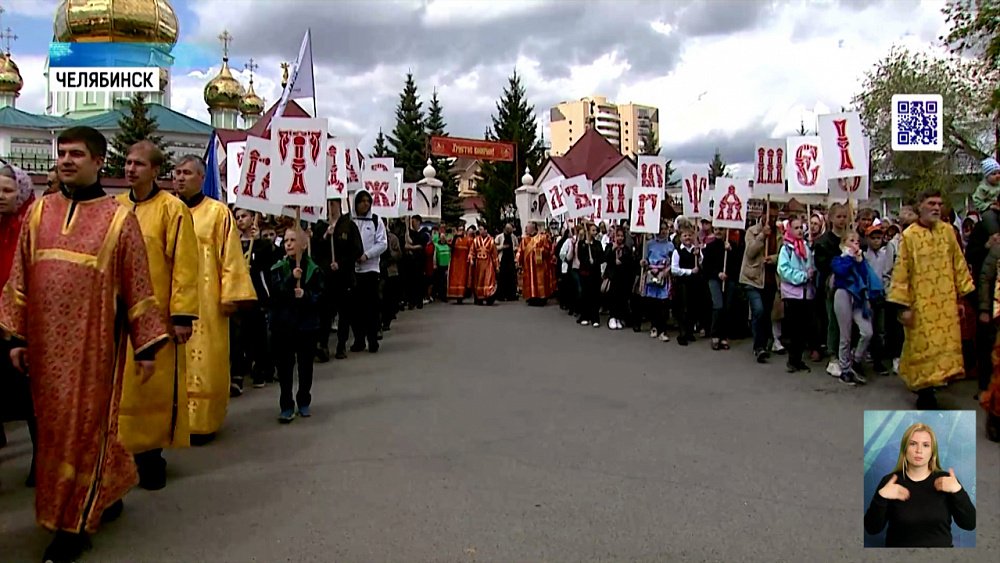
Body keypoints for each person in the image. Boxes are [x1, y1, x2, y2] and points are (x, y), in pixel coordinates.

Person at [0, 126, 168, 563]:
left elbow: (137, 283)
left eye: (77, 154)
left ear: (98, 161)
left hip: (93, 349)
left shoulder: (118, 219)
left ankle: (71, 526)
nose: (66, 160)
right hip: (43, 348)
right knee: (52, 435)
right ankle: (105, 491)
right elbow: (20, 277)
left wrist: (146, 346)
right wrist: (17, 337)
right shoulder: (39, 214)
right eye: (62, 153)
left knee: (83, 433)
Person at [114, 141, 199, 490]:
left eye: (139, 164)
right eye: (128, 162)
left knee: (152, 389)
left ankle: (150, 458)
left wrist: (181, 315)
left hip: (157, 316)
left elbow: (184, 264)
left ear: (154, 171)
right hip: (118, 316)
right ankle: (119, 455)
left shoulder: (172, 210)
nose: (131, 169)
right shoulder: (114, 208)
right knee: (120, 389)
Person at [172, 155, 256, 442]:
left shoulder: (218, 213)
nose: (180, 178)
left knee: (207, 357)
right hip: (172, 297)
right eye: (177, 172)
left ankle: (203, 421)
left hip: (207, 300)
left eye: (187, 173)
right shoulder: (167, 210)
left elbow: (231, 256)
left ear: (200, 177)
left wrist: (231, 295)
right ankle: (172, 417)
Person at [889, 190, 975, 409]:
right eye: (931, 203)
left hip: (945, 302)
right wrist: (902, 306)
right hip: (920, 304)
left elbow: (959, 264)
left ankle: (936, 384)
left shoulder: (948, 232)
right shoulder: (910, 236)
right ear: (920, 206)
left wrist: (966, 296)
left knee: (943, 346)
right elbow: (901, 272)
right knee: (921, 347)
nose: (936, 207)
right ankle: (925, 393)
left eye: (939, 203)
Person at [864, 423, 976, 547]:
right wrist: (881, 498)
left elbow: (970, 524)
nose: (919, 450)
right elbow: (872, 529)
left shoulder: (947, 481)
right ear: (904, 449)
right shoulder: (890, 482)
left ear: (932, 452)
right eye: (913, 444)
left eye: (926, 445)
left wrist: (958, 491)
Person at [0, 163, 37, 487]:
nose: (0, 197)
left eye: (7, 191)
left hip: (22, 326)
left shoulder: (30, 228)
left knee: (29, 399)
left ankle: (41, 458)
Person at [269, 228, 324, 422]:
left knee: (305, 366)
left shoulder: (314, 269)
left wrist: (306, 295)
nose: (289, 244)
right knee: (284, 368)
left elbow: (320, 297)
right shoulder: (278, 268)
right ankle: (286, 404)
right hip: (283, 325)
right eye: (286, 241)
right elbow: (275, 294)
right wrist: (292, 278)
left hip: (306, 326)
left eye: (293, 240)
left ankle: (303, 400)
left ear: (304, 244)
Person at [232, 208, 277, 387]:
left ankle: (261, 370)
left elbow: (269, 262)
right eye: (237, 217)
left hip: (257, 295)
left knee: (258, 335)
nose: (240, 220)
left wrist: (257, 242)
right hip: (239, 295)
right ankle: (240, 372)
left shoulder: (260, 244)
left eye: (244, 216)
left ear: (252, 218)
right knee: (239, 336)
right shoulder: (233, 243)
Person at [314, 200, 363, 360]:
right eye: (328, 204)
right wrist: (325, 236)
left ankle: (341, 345)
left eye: (333, 204)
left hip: (344, 277)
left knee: (344, 313)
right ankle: (323, 345)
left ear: (338, 205)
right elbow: (315, 250)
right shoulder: (321, 226)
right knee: (325, 313)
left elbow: (357, 250)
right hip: (326, 277)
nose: (330, 208)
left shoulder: (348, 225)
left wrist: (341, 264)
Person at [831, 231, 878, 385]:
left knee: (867, 331)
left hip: (858, 298)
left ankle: (856, 360)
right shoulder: (838, 259)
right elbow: (841, 272)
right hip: (843, 294)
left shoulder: (861, 260)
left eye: (857, 241)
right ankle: (845, 369)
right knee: (845, 334)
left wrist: (859, 261)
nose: (856, 243)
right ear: (843, 244)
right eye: (851, 240)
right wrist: (850, 258)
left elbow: (866, 277)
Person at [350, 190, 387, 353]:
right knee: (355, 308)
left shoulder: (375, 220)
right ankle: (359, 339)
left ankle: (372, 339)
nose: (365, 204)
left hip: (370, 269)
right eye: (362, 201)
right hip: (353, 271)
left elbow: (382, 243)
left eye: (368, 201)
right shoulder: (350, 221)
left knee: (371, 307)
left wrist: (367, 255)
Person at [777, 216, 815, 374]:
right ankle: (792, 360)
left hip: (806, 293)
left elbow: (810, 265)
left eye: (801, 227)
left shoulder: (806, 247)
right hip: (793, 294)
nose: (800, 230)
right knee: (794, 329)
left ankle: (798, 359)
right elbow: (783, 270)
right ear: (790, 230)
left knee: (803, 328)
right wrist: (803, 276)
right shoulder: (786, 249)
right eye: (796, 228)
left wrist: (811, 272)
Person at [741, 213, 777, 362]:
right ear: (763, 215)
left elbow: (782, 253)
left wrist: (773, 259)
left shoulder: (779, 233)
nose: (772, 220)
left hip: (769, 280)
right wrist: (762, 236)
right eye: (770, 216)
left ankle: (765, 339)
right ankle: (759, 347)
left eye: (775, 217)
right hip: (752, 278)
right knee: (758, 310)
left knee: (766, 313)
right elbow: (750, 252)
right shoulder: (752, 231)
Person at [702, 227, 741, 351]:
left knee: (727, 307)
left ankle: (724, 336)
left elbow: (738, 264)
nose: (718, 232)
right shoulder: (710, 247)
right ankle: (715, 335)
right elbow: (706, 266)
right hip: (714, 279)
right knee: (718, 305)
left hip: (729, 280)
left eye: (721, 230)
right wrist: (717, 274)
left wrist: (731, 251)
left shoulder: (733, 247)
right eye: (716, 229)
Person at [642, 220, 674, 341]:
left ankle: (663, 330)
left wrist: (666, 271)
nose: (663, 231)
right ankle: (654, 326)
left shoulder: (670, 245)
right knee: (652, 303)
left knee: (663, 304)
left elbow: (673, 261)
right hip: (651, 274)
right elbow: (645, 260)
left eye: (665, 229)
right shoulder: (649, 244)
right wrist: (644, 264)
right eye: (660, 229)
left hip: (664, 275)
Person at [671, 223, 701, 345]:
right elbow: (674, 269)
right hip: (683, 283)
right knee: (683, 308)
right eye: (685, 235)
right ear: (680, 237)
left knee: (693, 307)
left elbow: (701, 263)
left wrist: (698, 256)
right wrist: (689, 272)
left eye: (690, 235)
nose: (688, 237)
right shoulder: (677, 252)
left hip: (694, 283)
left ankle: (689, 331)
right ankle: (682, 333)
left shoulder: (696, 251)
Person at [603, 225, 634, 329]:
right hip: (612, 277)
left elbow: (630, 261)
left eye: (621, 236)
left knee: (622, 298)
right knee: (613, 297)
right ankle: (612, 317)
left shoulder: (626, 248)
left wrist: (622, 261)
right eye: (618, 236)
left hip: (623, 277)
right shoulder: (609, 246)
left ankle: (619, 317)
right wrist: (612, 251)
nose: (620, 238)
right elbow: (605, 258)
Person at [517, 222, 554, 307]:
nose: (527, 230)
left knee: (540, 281)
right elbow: (520, 251)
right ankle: (531, 297)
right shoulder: (524, 240)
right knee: (529, 281)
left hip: (539, 266)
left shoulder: (542, 238)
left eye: (528, 228)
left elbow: (548, 250)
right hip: (528, 266)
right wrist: (518, 260)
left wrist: (540, 250)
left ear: (533, 228)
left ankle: (541, 298)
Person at [576, 222, 604, 327]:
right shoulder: (581, 244)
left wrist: (595, 260)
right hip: (585, 273)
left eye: (596, 230)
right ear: (588, 231)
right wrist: (588, 260)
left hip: (595, 273)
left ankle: (595, 318)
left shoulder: (598, 244)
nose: (595, 232)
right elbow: (580, 257)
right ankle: (584, 316)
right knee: (585, 295)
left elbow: (601, 257)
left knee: (595, 296)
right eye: (593, 230)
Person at [380, 218, 402, 333]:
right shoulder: (374, 238)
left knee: (388, 298)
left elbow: (398, 254)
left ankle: (386, 321)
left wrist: (389, 254)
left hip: (391, 271)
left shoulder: (392, 238)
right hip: (378, 271)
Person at [402, 215, 429, 310]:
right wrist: (406, 226)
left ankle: (419, 301)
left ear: (418, 221)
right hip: (410, 262)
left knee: (419, 281)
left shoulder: (424, 233)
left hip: (420, 262)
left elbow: (418, 245)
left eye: (413, 221)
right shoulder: (411, 232)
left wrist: (411, 247)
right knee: (410, 282)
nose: (412, 223)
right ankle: (411, 301)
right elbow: (407, 240)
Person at [469, 225, 499, 305]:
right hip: (478, 265)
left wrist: (496, 266)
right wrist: (471, 259)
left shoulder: (491, 241)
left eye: (481, 229)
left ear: (486, 230)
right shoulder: (476, 240)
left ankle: (489, 297)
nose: (480, 231)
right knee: (479, 281)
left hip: (488, 264)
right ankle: (479, 298)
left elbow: (494, 254)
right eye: (479, 229)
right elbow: (472, 251)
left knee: (488, 280)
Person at [448, 226, 474, 304]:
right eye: (459, 230)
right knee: (455, 278)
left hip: (463, 263)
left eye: (462, 230)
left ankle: (461, 295)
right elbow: (450, 247)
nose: (461, 232)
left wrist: (470, 259)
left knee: (462, 279)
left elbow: (471, 250)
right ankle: (455, 294)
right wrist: (455, 237)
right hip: (455, 263)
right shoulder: (454, 239)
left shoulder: (468, 240)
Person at [495, 223, 519, 301]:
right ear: (506, 229)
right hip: (502, 259)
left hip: (511, 259)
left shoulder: (514, 237)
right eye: (509, 229)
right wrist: (502, 247)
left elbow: (517, 246)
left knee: (511, 278)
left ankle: (511, 295)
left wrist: (515, 249)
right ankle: (501, 295)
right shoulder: (499, 237)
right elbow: (494, 247)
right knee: (502, 278)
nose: (510, 231)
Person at [432, 224, 452, 302]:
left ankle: (446, 295)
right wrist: (435, 264)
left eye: (444, 238)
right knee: (440, 281)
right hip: (440, 265)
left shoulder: (448, 246)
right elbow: (434, 255)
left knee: (446, 282)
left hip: (447, 265)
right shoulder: (436, 245)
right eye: (442, 238)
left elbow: (450, 254)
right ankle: (441, 295)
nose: (443, 239)